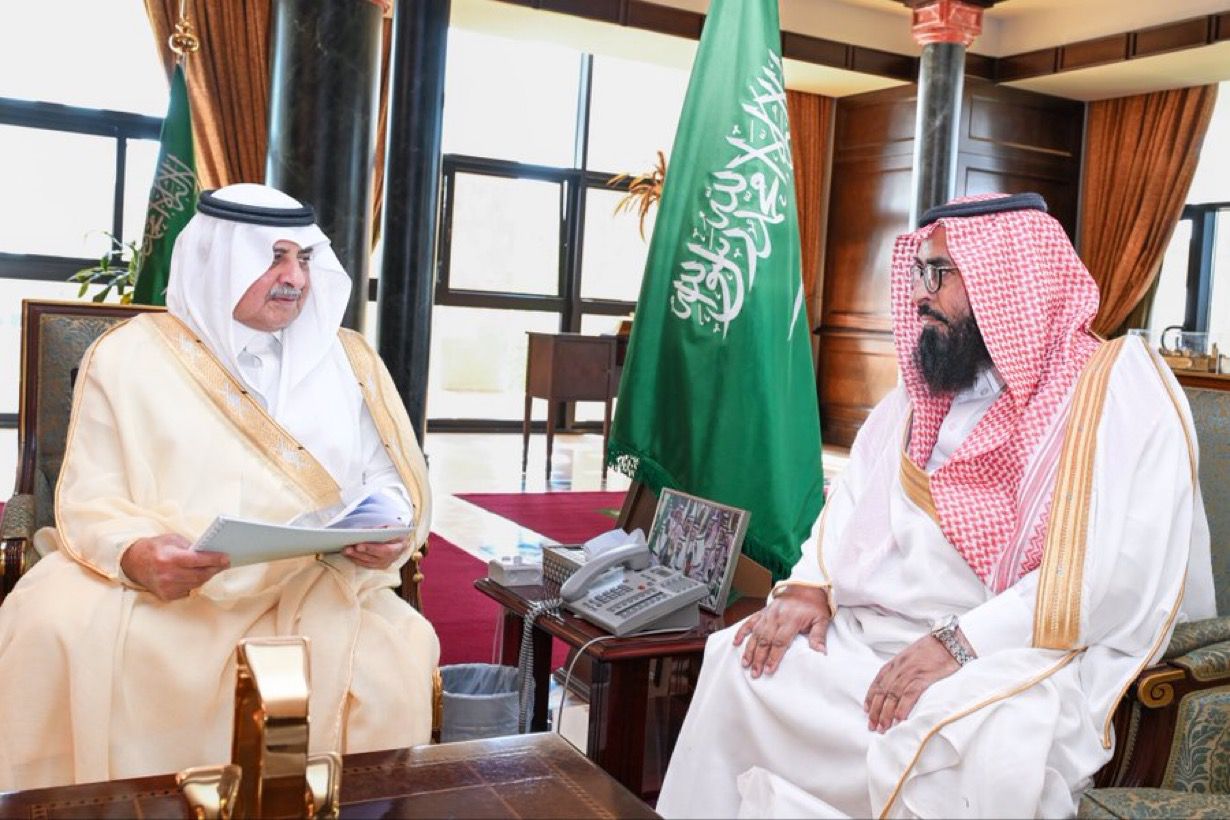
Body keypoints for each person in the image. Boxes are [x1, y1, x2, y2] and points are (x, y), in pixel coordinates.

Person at [656, 192, 1215, 818]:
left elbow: (1108, 573)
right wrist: (811, 585)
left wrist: (960, 643)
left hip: (1015, 650)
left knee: (953, 744)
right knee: (744, 662)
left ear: (1008, 279)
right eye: (919, 272)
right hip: (878, 630)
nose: (921, 294)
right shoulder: (925, 391)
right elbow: (850, 501)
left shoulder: (1115, 390)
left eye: (940, 273)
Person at [0, 184, 438, 790]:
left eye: (305, 258)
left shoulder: (350, 360)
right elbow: (91, 494)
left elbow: (388, 477)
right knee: (49, 625)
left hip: (316, 582)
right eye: (274, 258)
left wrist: (388, 529)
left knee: (397, 655)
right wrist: (136, 555)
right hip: (170, 585)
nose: (295, 279)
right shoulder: (126, 357)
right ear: (219, 258)